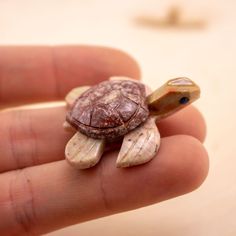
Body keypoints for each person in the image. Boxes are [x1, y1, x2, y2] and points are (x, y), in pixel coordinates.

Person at [0, 46, 209, 235]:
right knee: (83, 155)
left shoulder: (136, 86)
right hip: (91, 125)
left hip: (89, 99)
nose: (184, 103)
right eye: (184, 101)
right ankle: (85, 141)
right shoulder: (146, 127)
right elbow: (140, 147)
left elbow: (115, 83)